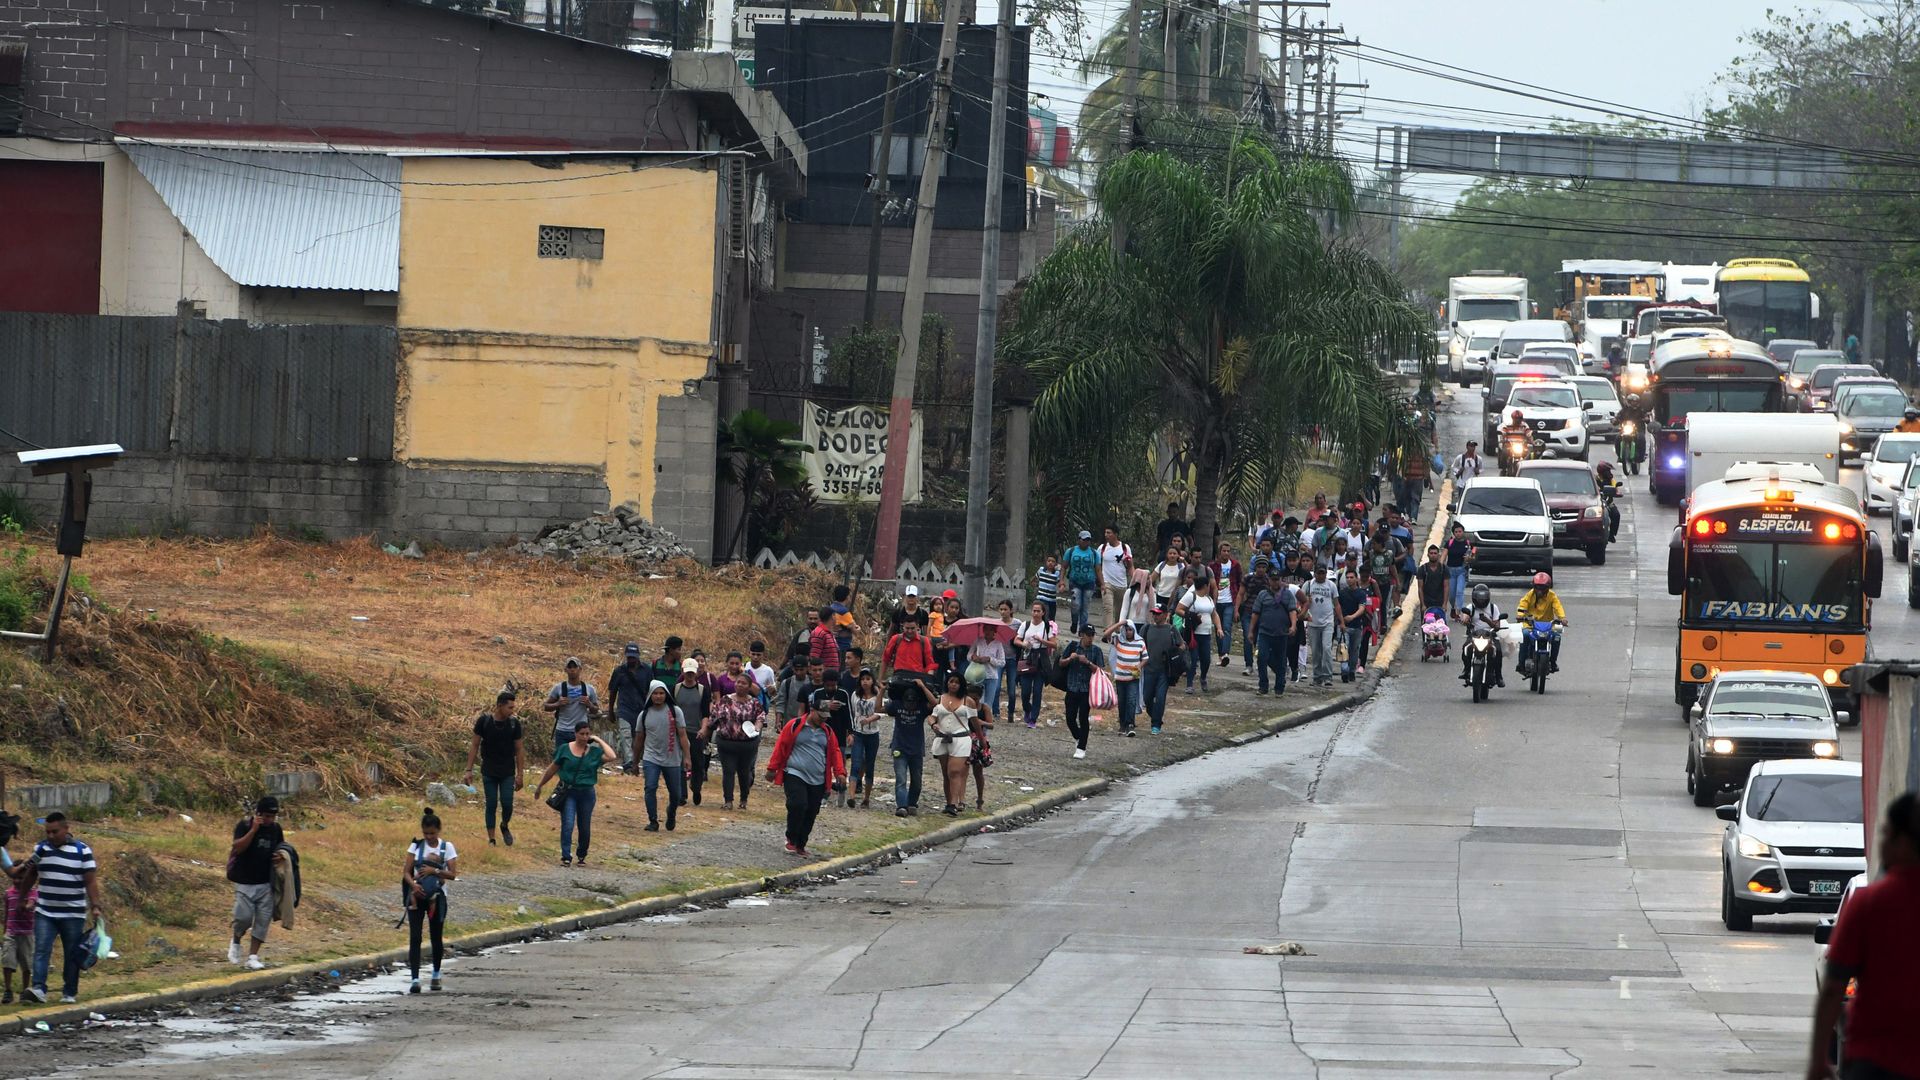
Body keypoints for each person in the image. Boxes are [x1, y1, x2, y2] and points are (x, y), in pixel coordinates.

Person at [1804, 790, 1920, 1079]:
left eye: (1885, 834)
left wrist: (1819, 1059)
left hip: (1874, 1060)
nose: (1881, 843)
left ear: (1903, 842)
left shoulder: (1871, 903)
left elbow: (1833, 987)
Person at [23, 812, 103, 1004]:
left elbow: (90, 881)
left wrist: (96, 906)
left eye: (55, 832)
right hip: (45, 912)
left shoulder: (82, 851)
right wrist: (22, 897)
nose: (51, 836)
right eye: (48, 832)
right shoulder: (40, 849)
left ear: (66, 829)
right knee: (41, 949)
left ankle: (69, 992)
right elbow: (30, 874)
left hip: (73, 913)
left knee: (71, 953)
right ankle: (38, 989)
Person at [765, 700, 847, 855]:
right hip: (795, 772)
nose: (823, 719)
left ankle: (801, 844)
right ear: (812, 711)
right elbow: (781, 746)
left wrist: (840, 772)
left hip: (818, 778)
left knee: (811, 811)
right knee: (797, 804)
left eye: (825, 716)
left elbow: (835, 752)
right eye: (820, 715)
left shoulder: (828, 731)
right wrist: (772, 768)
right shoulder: (794, 725)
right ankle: (791, 838)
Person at [535, 722, 615, 866]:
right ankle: (566, 856)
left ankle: (582, 855)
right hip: (569, 792)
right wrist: (540, 785)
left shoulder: (594, 752)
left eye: (587, 734)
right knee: (568, 823)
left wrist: (598, 740)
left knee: (584, 826)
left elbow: (612, 756)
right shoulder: (565, 749)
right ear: (575, 733)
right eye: (582, 734)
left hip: (587, 793)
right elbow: (552, 769)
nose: (584, 737)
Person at [401, 807, 458, 994]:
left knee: (436, 936)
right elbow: (406, 872)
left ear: (438, 831)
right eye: (425, 833)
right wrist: (414, 885)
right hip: (417, 894)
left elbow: (452, 874)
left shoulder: (447, 847)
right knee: (415, 937)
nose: (429, 837)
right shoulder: (416, 846)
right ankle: (415, 978)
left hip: (438, 897)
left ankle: (435, 973)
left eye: (432, 833)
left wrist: (435, 871)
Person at [226, 795, 284, 971]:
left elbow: (282, 847)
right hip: (244, 882)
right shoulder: (244, 826)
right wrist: (253, 830)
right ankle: (236, 940)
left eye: (272, 817)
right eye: (266, 816)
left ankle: (253, 956)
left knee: (262, 921)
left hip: (266, 883)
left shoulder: (276, 829)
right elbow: (238, 847)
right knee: (243, 918)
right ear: (258, 814)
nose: (269, 820)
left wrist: (281, 855)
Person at [463, 690, 525, 846]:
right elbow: (474, 745)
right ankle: (491, 839)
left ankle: (504, 825)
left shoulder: (513, 724)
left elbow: (519, 749)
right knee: (491, 803)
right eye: (510, 707)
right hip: (489, 770)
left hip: (507, 771)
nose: (512, 711)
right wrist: (468, 770)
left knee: (507, 802)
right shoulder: (484, 722)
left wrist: (520, 775)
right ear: (499, 706)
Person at [635, 681, 692, 833]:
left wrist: (687, 757)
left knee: (676, 794)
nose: (658, 696)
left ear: (666, 694)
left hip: (672, 757)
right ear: (650, 695)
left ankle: (671, 812)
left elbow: (683, 735)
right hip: (651, 757)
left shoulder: (675, 711)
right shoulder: (644, 714)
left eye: (661, 693)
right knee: (650, 787)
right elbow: (639, 739)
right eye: (655, 693)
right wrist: (635, 762)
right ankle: (653, 820)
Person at [709, 676, 765, 810]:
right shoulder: (725, 700)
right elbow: (714, 716)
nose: (740, 685)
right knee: (728, 771)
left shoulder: (754, 703)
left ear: (749, 686)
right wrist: (710, 729)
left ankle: (744, 799)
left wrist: (757, 727)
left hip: (747, 744)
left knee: (744, 771)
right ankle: (728, 800)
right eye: (738, 682)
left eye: (744, 683)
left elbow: (761, 717)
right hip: (726, 743)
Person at [928, 673, 980, 814]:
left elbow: (975, 722)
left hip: (961, 739)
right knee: (946, 774)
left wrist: (981, 740)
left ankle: (953, 804)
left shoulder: (968, 701)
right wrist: (933, 725)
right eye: (951, 681)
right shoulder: (941, 699)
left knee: (954, 771)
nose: (954, 684)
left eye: (957, 682)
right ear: (947, 683)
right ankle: (949, 802)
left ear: (961, 684)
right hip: (943, 738)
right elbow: (932, 717)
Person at [883, 674, 933, 817]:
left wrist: (922, 687)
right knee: (901, 779)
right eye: (907, 701)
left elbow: (935, 704)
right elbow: (879, 707)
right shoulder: (897, 705)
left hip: (916, 749)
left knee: (916, 780)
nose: (909, 704)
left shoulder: (922, 708)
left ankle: (912, 803)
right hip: (899, 748)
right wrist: (882, 690)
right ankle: (902, 806)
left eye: (912, 701)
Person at [671, 660, 715, 806]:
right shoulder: (675, 689)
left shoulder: (702, 690)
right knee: (679, 763)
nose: (689, 675)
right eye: (687, 672)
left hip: (696, 732)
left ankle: (696, 788)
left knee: (697, 763)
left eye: (692, 672)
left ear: (696, 672)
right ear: (683, 671)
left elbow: (705, 713)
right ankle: (681, 795)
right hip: (679, 731)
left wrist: (703, 729)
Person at [1057, 625, 1104, 759]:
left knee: (1083, 718)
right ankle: (1079, 737)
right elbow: (1061, 663)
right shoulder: (1073, 647)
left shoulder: (1096, 650)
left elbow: (1099, 670)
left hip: (1087, 690)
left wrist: (1087, 662)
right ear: (1081, 635)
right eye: (1088, 635)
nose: (1090, 638)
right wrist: (1070, 659)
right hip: (1072, 687)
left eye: (1092, 635)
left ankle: (1082, 747)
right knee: (1070, 718)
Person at [1249, 574, 1298, 696]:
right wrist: (1251, 631)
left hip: (1281, 633)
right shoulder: (1263, 595)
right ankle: (1263, 685)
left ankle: (1279, 687)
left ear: (1281, 580)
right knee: (1262, 658)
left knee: (1281, 660)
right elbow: (1255, 613)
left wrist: (1293, 625)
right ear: (1269, 581)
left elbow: (1292, 611)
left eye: (1277, 580)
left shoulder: (1287, 594)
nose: (1275, 583)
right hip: (1265, 632)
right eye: (1273, 580)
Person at [810, 668, 853, 807]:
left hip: (839, 734)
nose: (830, 688)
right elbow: (813, 709)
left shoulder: (843, 693)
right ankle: (823, 793)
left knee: (840, 765)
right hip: (822, 733)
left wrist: (851, 732)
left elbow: (849, 714)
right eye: (828, 685)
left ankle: (841, 791)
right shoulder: (818, 693)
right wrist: (827, 705)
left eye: (833, 685)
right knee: (822, 765)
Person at [1176, 568, 1223, 694]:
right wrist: (1190, 616)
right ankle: (1190, 683)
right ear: (1206, 586)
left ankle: (1203, 677)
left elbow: (1214, 614)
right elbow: (1178, 609)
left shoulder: (1208, 599)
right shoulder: (1192, 597)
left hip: (1206, 633)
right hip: (1194, 634)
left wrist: (1219, 628)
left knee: (1206, 659)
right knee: (1193, 658)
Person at [542, 657, 600, 758]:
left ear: (580, 669)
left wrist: (589, 704)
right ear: (565, 670)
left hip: (580, 732)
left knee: (580, 760)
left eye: (575, 667)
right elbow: (546, 707)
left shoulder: (589, 689)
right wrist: (557, 704)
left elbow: (596, 710)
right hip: (562, 730)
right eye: (569, 667)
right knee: (561, 760)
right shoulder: (558, 688)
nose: (572, 670)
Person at [606, 643, 650, 775]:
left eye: (634, 657)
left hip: (641, 709)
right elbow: (613, 691)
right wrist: (610, 710)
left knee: (638, 738)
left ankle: (635, 762)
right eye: (629, 657)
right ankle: (629, 764)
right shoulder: (619, 671)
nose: (632, 660)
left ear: (638, 657)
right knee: (625, 736)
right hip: (624, 709)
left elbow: (650, 690)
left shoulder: (647, 670)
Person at [1138, 604, 1180, 734]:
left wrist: (1174, 654)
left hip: (1164, 671)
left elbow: (1181, 646)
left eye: (1158, 613)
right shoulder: (1146, 629)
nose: (1155, 616)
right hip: (1149, 669)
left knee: (1160, 698)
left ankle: (1156, 724)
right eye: (1154, 613)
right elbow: (1138, 645)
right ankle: (1155, 717)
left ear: (1165, 614)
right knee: (1146, 698)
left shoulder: (1172, 630)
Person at [1015, 603, 1058, 728]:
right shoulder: (1025, 624)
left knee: (1037, 691)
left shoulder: (1047, 626)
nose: (1036, 613)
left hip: (1041, 659)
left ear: (1043, 613)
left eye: (1038, 611)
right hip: (1027, 658)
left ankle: (1033, 718)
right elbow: (1016, 639)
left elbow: (1054, 644)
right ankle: (1027, 709)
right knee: (1025, 691)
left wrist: (1041, 640)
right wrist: (1023, 644)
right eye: (1034, 610)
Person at [1516, 571, 1568, 673]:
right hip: (1530, 624)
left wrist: (1562, 618)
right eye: (1537, 587)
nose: (1539, 591)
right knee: (1525, 635)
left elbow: (1558, 607)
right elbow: (1523, 605)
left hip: (1548, 625)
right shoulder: (1529, 595)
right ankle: (1521, 663)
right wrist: (1520, 615)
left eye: (1542, 588)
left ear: (1548, 588)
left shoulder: (1552, 596)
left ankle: (1553, 662)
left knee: (1557, 636)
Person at [969, 606, 1010, 728]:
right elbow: (969, 655)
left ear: (994, 631)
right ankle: (976, 725)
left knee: (988, 704)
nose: (987, 632)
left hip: (992, 676)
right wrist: (974, 657)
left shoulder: (998, 645)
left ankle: (986, 727)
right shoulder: (978, 641)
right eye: (985, 629)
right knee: (978, 702)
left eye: (990, 630)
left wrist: (990, 659)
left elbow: (1002, 662)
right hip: (978, 675)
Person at [1458, 583, 1506, 688]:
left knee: (1498, 651)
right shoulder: (1471, 607)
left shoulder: (1493, 608)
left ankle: (1498, 676)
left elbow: (1497, 626)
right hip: (1474, 634)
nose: (1481, 601)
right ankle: (1466, 669)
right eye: (1479, 599)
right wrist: (1465, 619)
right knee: (1466, 648)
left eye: (1483, 599)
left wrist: (1486, 620)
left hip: (1490, 635)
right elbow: (1464, 617)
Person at [847, 669, 883, 810]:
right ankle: (852, 797)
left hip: (873, 734)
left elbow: (881, 712)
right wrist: (849, 732)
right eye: (863, 679)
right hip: (858, 733)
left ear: (872, 680)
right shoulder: (855, 695)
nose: (865, 682)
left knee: (869, 766)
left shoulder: (877, 695)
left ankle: (866, 798)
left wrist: (870, 719)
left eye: (868, 679)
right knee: (855, 764)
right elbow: (851, 713)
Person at [1103, 618, 1146, 736]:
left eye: (1131, 630)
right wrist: (1120, 623)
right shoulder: (1118, 640)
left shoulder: (1140, 642)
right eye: (1126, 630)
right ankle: (1122, 724)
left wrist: (1139, 666)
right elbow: (1106, 634)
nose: (1128, 632)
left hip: (1133, 678)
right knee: (1122, 702)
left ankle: (1130, 724)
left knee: (1131, 700)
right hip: (1120, 677)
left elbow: (1146, 658)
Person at [1302, 564, 1340, 687]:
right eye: (1319, 573)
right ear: (1315, 573)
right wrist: (1305, 607)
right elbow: (1300, 601)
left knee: (1326, 648)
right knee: (1316, 651)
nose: (1321, 575)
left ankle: (1327, 676)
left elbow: (1336, 604)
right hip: (1313, 622)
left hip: (1328, 622)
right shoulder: (1308, 585)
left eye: (1323, 573)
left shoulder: (1331, 586)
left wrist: (1341, 622)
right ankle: (1317, 676)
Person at [2, 866, 34, 1004]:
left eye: (21, 878)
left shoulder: (32, 893)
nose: (17, 881)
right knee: (7, 961)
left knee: (26, 964)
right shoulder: (8, 893)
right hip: (11, 932)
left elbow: (32, 904)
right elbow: (7, 913)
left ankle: (25, 990)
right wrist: (5, 931)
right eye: (15, 878)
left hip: (27, 933)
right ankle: (8, 990)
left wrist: (26, 907)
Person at [1062, 530, 1101, 632]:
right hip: (1075, 581)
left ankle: (1082, 629)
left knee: (1085, 606)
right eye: (1084, 540)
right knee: (1076, 604)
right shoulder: (1071, 551)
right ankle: (1074, 622)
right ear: (1079, 540)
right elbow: (1064, 566)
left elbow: (1098, 569)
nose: (1086, 542)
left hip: (1089, 582)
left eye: (1088, 540)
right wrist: (1061, 580)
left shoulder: (1094, 553)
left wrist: (1102, 584)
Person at [1337, 570, 1372, 682]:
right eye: (1347, 577)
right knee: (1344, 648)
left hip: (1357, 626)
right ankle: (1344, 671)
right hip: (1344, 626)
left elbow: (1362, 608)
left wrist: (1352, 617)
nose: (1349, 579)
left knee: (1354, 650)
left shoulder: (1361, 593)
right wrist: (1341, 622)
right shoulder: (1342, 593)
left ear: (1357, 579)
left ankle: (1352, 671)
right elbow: (1337, 608)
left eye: (1351, 577)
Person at [1213, 541, 1243, 671]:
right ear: (1219, 552)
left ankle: (1225, 653)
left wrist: (1238, 604)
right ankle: (1221, 655)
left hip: (1230, 600)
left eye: (1228, 551)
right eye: (1223, 551)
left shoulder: (1235, 565)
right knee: (1217, 629)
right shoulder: (1213, 566)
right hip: (1216, 601)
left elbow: (1240, 582)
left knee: (1226, 627)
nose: (1226, 553)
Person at [1098, 526, 1134, 629]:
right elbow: (1097, 566)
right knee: (1108, 607)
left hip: (1121, 584)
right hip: (1107, 583)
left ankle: (1117, 630)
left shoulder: (1125, 548)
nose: (1106, 535)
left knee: (1120, 610)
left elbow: (1130, 566)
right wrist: (1101, 582)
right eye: (1105, 533)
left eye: (1109, 533)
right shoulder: (1102, 548)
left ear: (1115, 534)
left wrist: (1135, 579)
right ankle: (1108, 631)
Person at [1443, 523, 1472, 617]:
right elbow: (1443, 555)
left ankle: (1458, 612)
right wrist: (1439, 566)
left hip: (1462, 571)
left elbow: (1471, 557)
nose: (1458, 533)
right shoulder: (1449, 543)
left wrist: (1469, 558)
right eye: (1456, 532)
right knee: (1451, 594)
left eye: (1460, 531)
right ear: (1453, 533)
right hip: (1450, 571)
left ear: (1463, 532)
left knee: (1459, 591)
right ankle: (1453, 607)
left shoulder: (1467, 543)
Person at [1150, 547, 1184, 612]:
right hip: (1161, 595)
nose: (1172, 555)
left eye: (1174, 553)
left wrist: (1184, 561)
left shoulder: (1181, 566)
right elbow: (1151, 579)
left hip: (1175, 597)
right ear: (1167, 555)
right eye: (1170, 553)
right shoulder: (1161, 565)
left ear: (1178, 555)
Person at [1032, 556, 1061, 623]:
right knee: (1045, 617)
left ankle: (1049, 632)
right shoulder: (1041, 570)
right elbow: (1033, 580)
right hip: (1042, 598)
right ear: (1046, 562)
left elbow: (1060, 583)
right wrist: (1036, 586)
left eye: (1053, 561)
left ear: (1056, 564)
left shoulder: (1057, 574)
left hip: (1052, 600)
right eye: (1049, 561)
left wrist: (1061, 587)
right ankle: (1043, 631)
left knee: (1051, 620)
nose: (1050, 563)